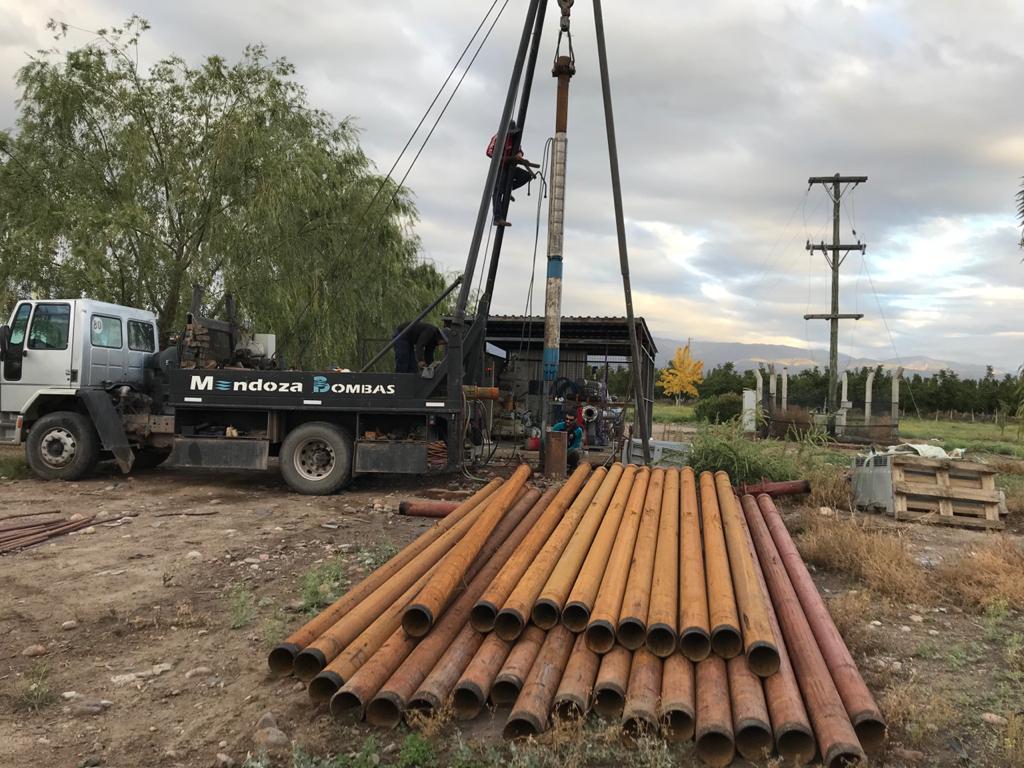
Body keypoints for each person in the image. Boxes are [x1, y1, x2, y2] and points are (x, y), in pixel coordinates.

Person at [487, 121, 537, 227]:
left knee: (526, 175)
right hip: (500, 166)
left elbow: (520, 150)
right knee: (497, 191)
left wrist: (519, 155)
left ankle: (508, 189)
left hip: (510, 166)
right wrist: (505, 158)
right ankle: (497, 218)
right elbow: (489, 152)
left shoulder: (515, 139)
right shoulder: (498, 137)